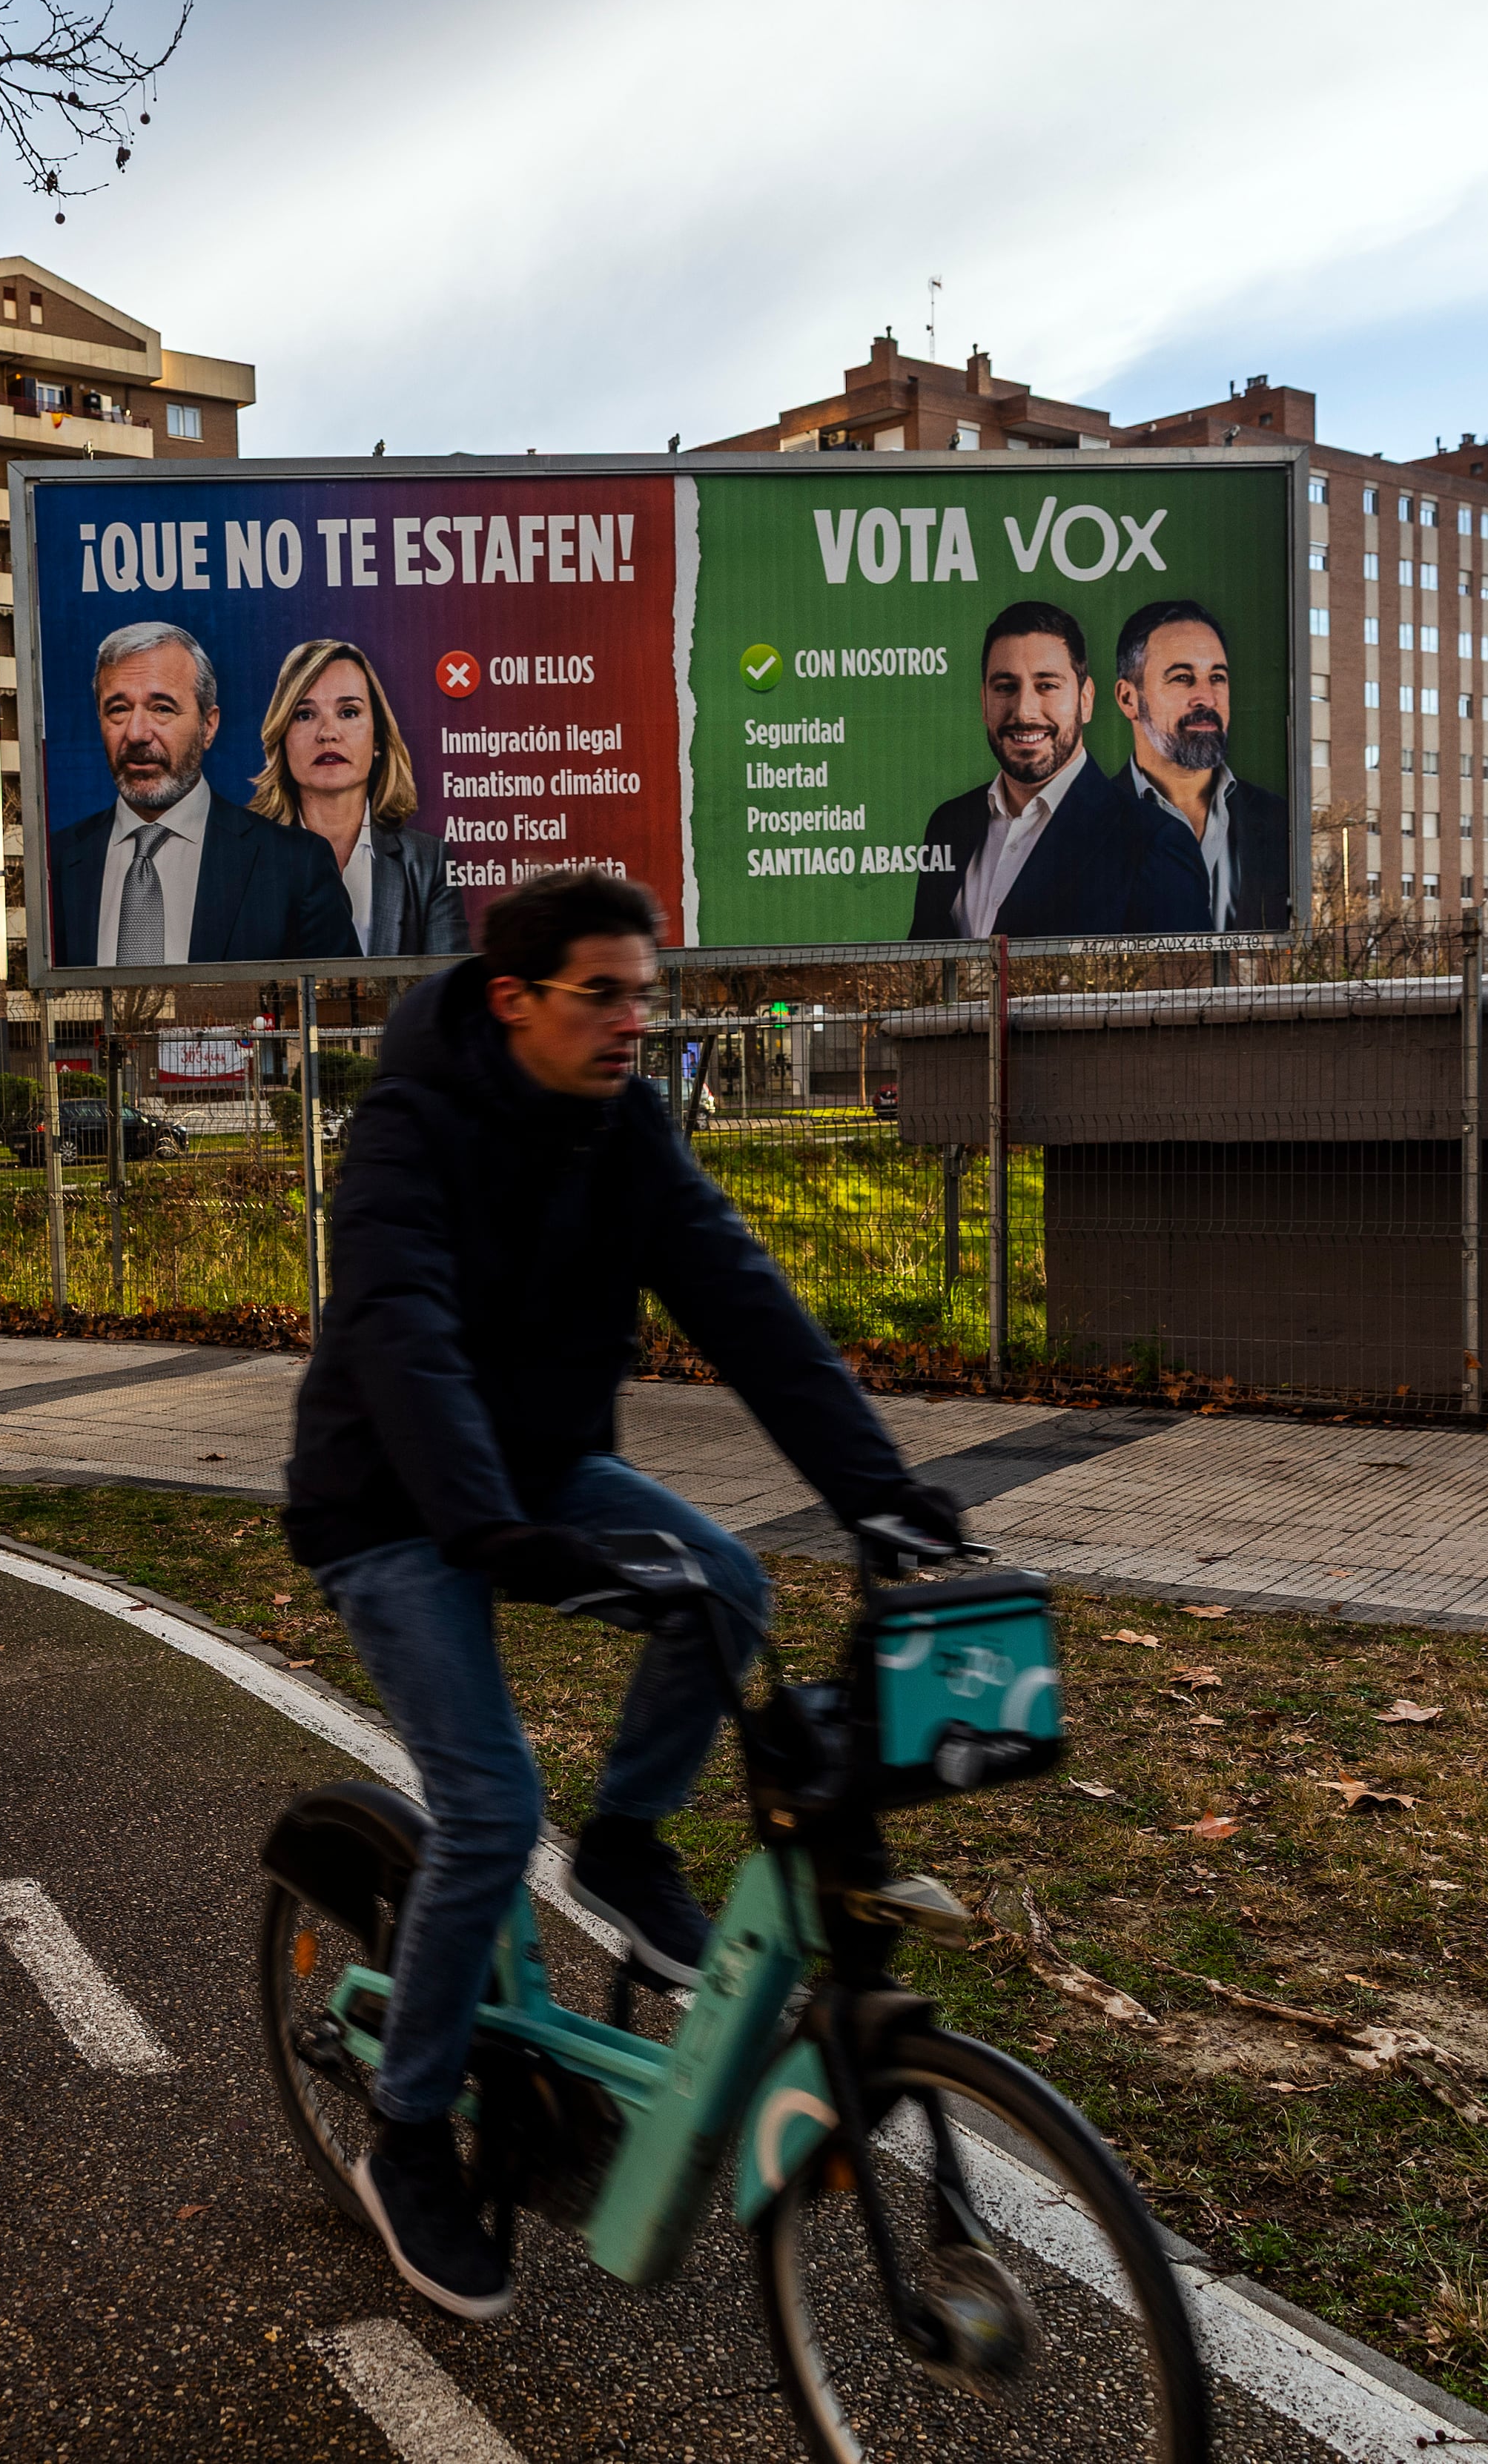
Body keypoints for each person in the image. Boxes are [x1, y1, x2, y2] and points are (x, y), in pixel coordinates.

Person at [284, 866, 968, 2322]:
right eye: (604, 995)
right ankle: (408, 2130)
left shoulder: (628, 1131)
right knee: (483, 1804)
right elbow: (402, 1332)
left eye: (645, 998)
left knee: (722, 1584)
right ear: (515, 996)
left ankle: (626, 1845)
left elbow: (744, 1299)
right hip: (393, 1505)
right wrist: (488, 1525)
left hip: (537, 1474)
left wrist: (878, 1487)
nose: (630, 1025)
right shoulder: (406, 1132)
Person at [49, 619, 357, 967]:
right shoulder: (55, 863)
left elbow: (343, 1009)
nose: (136, 733)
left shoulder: (295, 865)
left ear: (208, 726)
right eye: (118, 709)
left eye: (162, 708)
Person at [905, 600, 1211, 942]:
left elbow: (1187, 993)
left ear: (1086, 700)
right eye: (1006, 687)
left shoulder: (1154, 843)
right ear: (984, 703)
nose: (1024, 711)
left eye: (1047, 685)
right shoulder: (950, 823)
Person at [248, 638, 469, 957]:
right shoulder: (245, 857)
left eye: (348, 712)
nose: (328, 732)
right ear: (281, 737)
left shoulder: (426, 862)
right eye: (305, 715)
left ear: (377, 737)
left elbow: (449, 994)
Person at [1113, 597, 1290, 933]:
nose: (1207, 698)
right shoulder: (1084, 828)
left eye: (1218, 677)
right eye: (1182, 678)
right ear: (1128, 699)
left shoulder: (1281, 821)